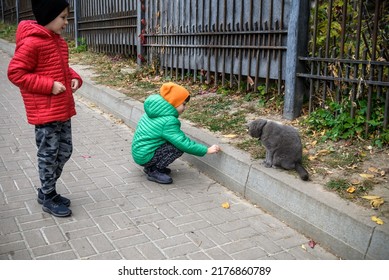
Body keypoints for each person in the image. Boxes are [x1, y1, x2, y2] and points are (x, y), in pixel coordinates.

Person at [7, 0, 82, 217]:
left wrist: (74, 77)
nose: (66, 22)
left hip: (62, 109)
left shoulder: (58, 42)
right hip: (45, 113)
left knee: (65, 151)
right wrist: (49, 85)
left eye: (67, 17)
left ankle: (46, 190)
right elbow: (16, 73)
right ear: (48, 16)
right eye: (63, 17)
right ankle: (48, 195)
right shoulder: (32, 43)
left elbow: (62, 68)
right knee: (49, 155)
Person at [132, 82, 221, 184]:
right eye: (183, 104)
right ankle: (154, 170)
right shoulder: (168, 121)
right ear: (174, 103)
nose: (185, 107)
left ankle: (151, 167)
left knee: (172, 143)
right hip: (145, 156)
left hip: (140, 152)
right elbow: (182, 142)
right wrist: (206, 150)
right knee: (177, 147)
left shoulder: (153, 112)